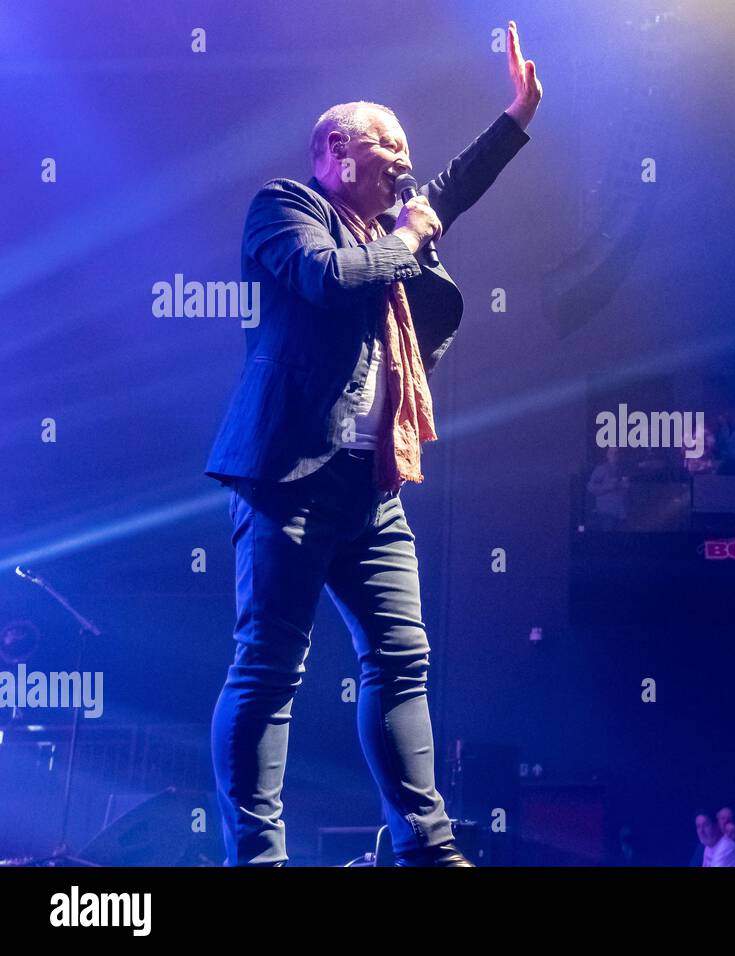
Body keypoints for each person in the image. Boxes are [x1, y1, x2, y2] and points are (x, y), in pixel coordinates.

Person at [203, 24, 541, 867]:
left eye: (405, 148)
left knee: (402, 657)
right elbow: (325, 279)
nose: (403, 158)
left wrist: (517, 113)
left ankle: (426, 847)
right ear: (335, 153)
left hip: (373, 484)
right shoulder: (285, 208)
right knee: (270, 668)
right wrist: (409, 236)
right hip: (288, 476)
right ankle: (258, 857)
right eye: (386, 144)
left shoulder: (394, 224)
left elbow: (450, 189)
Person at [587, 445, 630, 530]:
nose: (614, 455)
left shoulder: (624, 470)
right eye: (611, 453)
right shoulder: (601, 469)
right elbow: (590, 487)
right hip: (607, 514)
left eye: (617, 453)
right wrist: (608, 487)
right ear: (607, 455)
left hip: (622, 514)